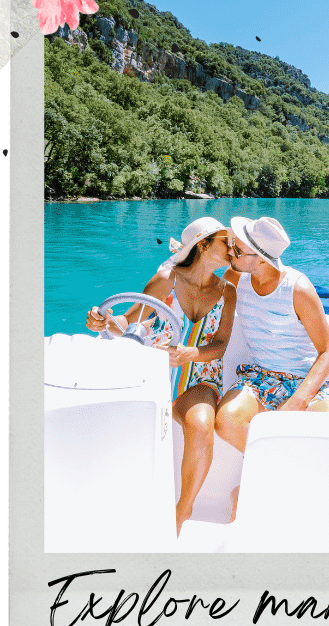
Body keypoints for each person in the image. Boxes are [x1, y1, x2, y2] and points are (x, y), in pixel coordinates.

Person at [86, 214, 238, 534]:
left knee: (201, 424)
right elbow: (128, 321)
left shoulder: (227, 292)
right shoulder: (166, 280)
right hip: (154, 374)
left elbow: (221, 344)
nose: (233, 248)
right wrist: (105, 323)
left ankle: (182, 511)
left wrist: (191, 354)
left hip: (199, 378)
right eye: (227, 242)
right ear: (204, 244)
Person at [214, 215, 329, 501]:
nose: (230, 252)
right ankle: (284, 474)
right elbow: (208, 296)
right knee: (226, 421)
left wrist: (297, 402)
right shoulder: (238, 276)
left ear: (260, 260)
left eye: (237, 249)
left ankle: (266, 482)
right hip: (260, 374)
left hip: (305, 381)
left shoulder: (298, 289)